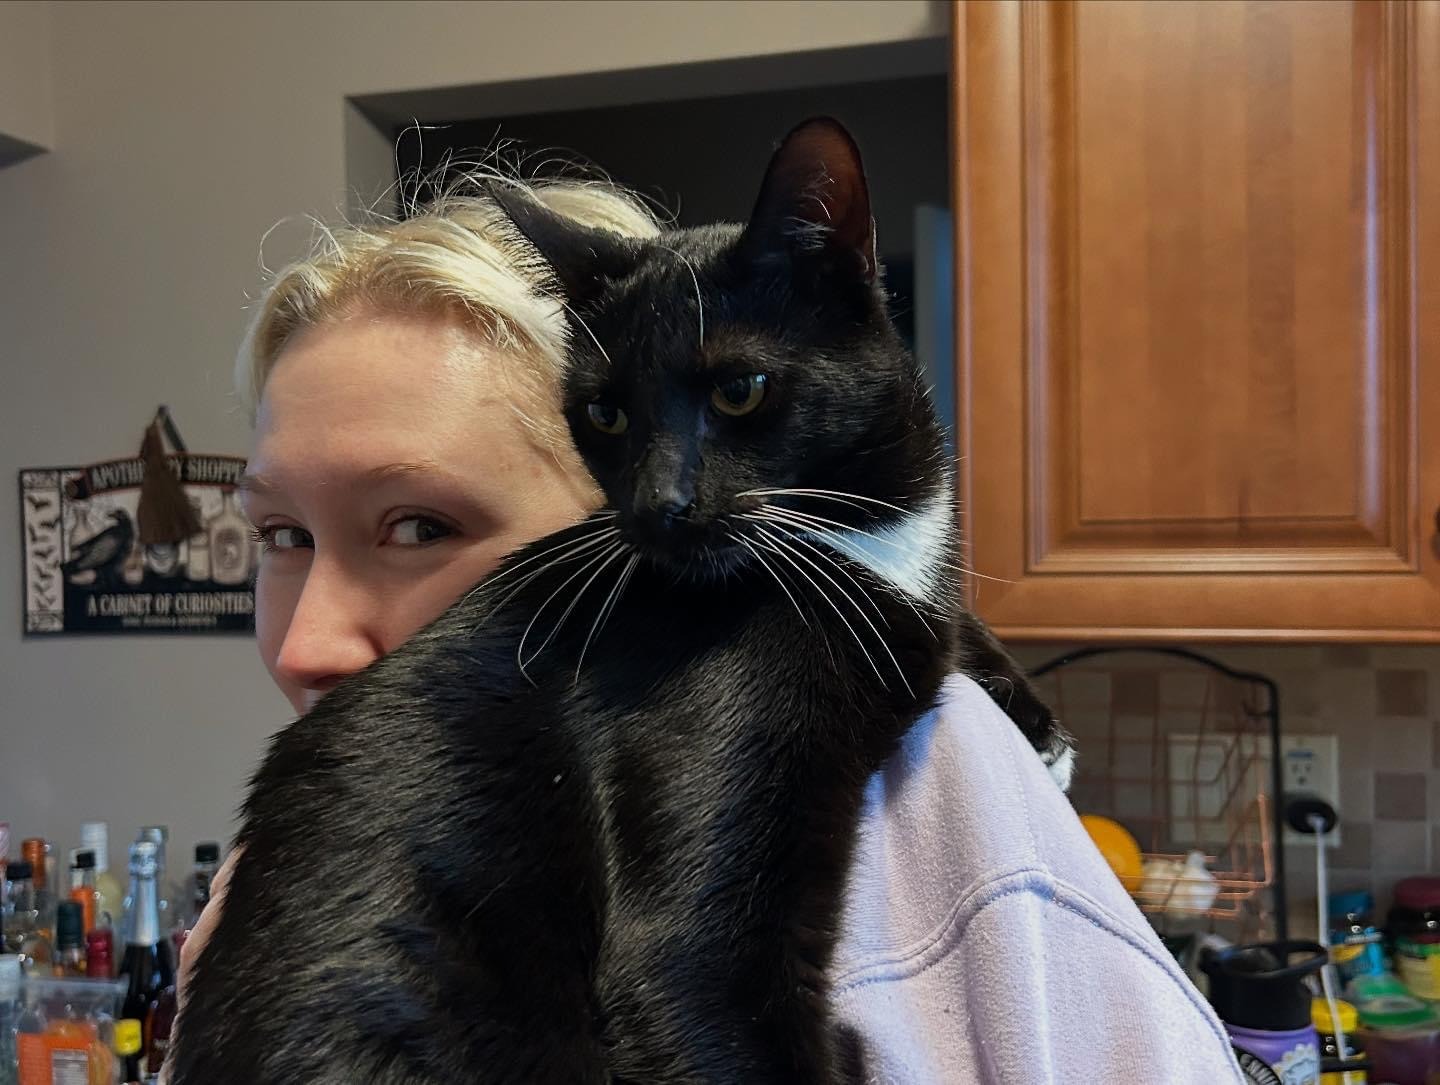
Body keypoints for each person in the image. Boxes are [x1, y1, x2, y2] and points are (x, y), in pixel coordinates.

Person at [173, 175, 1243, 1083]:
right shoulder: (304, 875)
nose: (306, 645)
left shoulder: (937, 794)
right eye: (280, 533)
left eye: (422, 525)